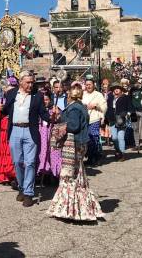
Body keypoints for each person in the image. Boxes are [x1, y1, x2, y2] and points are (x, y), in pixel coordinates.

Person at [47, 86, 104, 222]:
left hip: (73, 144)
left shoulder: (74, 108)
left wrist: (60, 122)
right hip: (79, 144)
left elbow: (73, 126)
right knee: (78, 174)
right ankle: (76, 207)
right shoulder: (81, 106)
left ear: (70, 96)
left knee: (69, 174)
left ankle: (69, 208)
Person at [3, 71, 49, 207]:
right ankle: (22, 187)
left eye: (32, 82)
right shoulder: (11, 94)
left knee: (30, 163)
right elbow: (6, 110)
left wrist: (53, 118)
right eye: (28, 82)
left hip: (30, 131)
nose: (31, 85)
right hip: (15, 130)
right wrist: (0, 109)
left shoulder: (37, 96)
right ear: (21, 82)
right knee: (17, 162)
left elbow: (43, 113)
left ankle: (29, 192)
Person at [0, 77, 17, 185]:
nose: (7, 90)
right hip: (2, 128)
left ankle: (11, 174)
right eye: (6, 88)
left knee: (9, 152)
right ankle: (2, 176)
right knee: (2, 152)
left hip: (11, 127)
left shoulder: (17, 99)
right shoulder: (2, 99)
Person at [81, 78, 107, 166]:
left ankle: (96, 157)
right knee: (87, 139)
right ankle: (90, 156)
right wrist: (85, 106)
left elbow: (104, 107)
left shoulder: (98, 95)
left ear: (93, 85)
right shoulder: (82, 94)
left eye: (90, 84)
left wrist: (96, 105)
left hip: (94, 119)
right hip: (84, 120)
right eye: (87, 84)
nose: (88, 86)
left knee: (94, 138)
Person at [105, 83, 132, 161]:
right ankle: (117, 150)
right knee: (114, 138)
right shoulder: (110, 98)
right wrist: (105, 118)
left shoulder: (125, 98)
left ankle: (122, 154)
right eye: (114, 88)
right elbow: (107, 108)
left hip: (121, 119)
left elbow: (130, 107)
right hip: (112, 119)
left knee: (120, 137)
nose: (116, 89)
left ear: (121, 90)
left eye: (118, 88)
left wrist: (128, 114)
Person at [37, 93, 61, 181]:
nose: (45, 102)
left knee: (53, 152)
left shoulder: (54, 108)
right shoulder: (39, 109)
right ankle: (42, 171)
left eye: (46, 100)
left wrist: (56, 114)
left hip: (51, 134)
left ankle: (53, 174)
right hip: (41, 134)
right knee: (42, 152)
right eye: (43, 100)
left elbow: (59, 120)